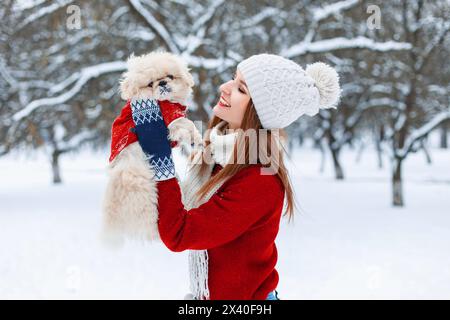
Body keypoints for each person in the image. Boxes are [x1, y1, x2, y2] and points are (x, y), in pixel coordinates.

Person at [122, 53, 340, 300]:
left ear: (260, 113)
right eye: (232, 79)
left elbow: (180, 232)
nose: (225, 88)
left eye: (241, 89)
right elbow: (177, 208)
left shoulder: (260, 181)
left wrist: (159, 156)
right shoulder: (220, 156)